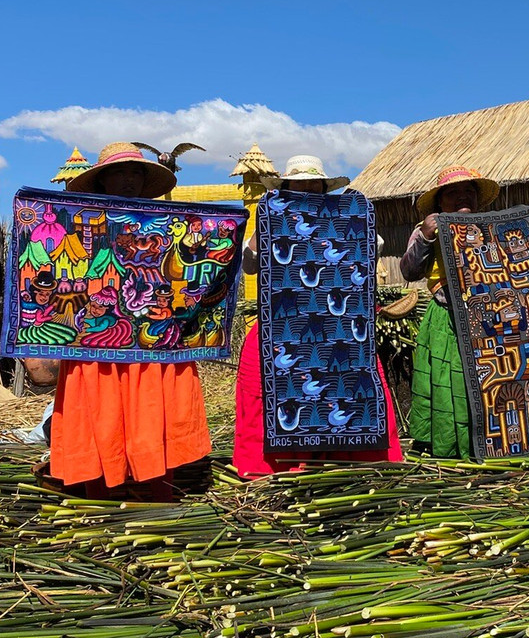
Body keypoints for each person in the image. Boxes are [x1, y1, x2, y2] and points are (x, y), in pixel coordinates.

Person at [50, 142, 213, 500]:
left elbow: (187, 264)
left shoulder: (167, 225)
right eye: (119, 172)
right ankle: (98, 489)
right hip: (97, 349)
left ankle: (154, 486)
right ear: (103, 180)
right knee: (101, 412)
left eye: (135, 173)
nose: (128, 180)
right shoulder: (82, 226)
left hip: (150, 344)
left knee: (151, 411)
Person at [232, 155, 403, 478]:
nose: (306, 190)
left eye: (313, 185)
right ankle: (277, 470)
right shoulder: (270, 219)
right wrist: (265, 232)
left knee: (354, 385)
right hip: (281, 326)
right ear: (285, 189)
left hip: (340, 328)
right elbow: (250, 266)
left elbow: (370, 249)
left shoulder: (350, 217)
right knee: (267, 385)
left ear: (325, 189)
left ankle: (353, 467)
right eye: (298, 186)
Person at [400, 165, 501, 458]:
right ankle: (448, 445)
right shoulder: (425, 230)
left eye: (468, 191)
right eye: (453, 193)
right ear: (439, 203)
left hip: (486, 319)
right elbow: (410, 270)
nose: (461, 198)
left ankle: (490, 443)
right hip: (446, 318)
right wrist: (427, 238)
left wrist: (526, 224)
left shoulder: (490, 227)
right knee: (447, 380)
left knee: (488, 380)